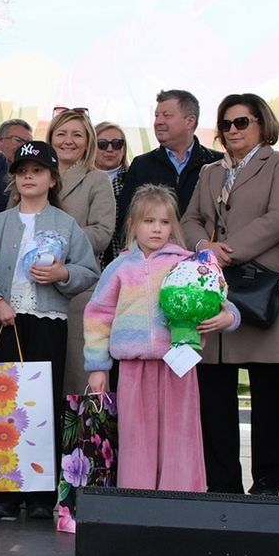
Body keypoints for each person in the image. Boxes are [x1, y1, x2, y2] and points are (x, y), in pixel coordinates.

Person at [182, 94, 279, 495]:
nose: (233, 130)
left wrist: (227, 252)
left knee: (269, 390)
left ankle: (269, 476)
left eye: (242, 122)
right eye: (227, 123)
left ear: (262, 124)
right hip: (216, 290)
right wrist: (203, 247)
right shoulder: (210, 172)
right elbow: (190, 219)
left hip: (262, 289)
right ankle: (222, 480)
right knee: (214, 390)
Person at [84, 185, 239, 492]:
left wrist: (227, 317)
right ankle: (136, 497)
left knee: (179, 435)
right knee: (135, 437)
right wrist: (98, 366)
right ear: (133, 225)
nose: (156, 228)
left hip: (178, 364)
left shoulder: (190, 263)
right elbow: (98, 315)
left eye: (164, 222)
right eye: (148, 221)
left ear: (174, 226)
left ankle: (180, 499)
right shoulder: (119, 268)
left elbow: (222, 299)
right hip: (133, 367)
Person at [0, 141, 99, 519]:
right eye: (22, 171)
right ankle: (2, 493)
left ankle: (41, 495)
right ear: (14, 179)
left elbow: (88, 271)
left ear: (52, 178)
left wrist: (63, 273)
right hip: (4, 320)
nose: (29, 177)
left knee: (42, 404)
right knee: (3, 404)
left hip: (48, 321)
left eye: (38, 171)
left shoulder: (65, 224)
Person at [46, 109, 116, 395]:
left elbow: (101, 233)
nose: (68, 141)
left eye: (77, 134)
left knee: (78, 377)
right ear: (50, 138)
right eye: (61, 133)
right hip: (34, 290)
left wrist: (53, 241)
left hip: (79, 292)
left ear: (88, 141)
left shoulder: (96, 180)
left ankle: (81, 440)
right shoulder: (31, 176)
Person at [117, 89, 223, 239]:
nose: (158, 122)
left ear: (189, 121)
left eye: (167, 116)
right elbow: (126, 219)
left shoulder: (218, 164)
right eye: (156, 116)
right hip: (154, 258)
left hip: (203, 256)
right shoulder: (141, 165)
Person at [92, 120, 129, 265]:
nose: (109, 149)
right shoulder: (81, 180)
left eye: (116, 143)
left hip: (126, 261)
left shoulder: (135, 179)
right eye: (102, 144)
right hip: (90, 260)